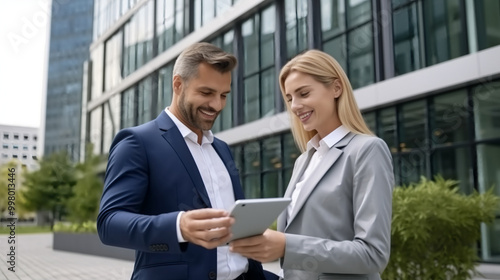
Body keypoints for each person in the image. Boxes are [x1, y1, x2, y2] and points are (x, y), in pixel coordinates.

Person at [97, 42, 268, 280]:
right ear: (178, 84)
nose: (217, 105)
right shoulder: (137, 142)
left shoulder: (222, 149)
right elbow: (110, 223)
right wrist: (179, 226)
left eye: (223, 95)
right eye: (206, 93)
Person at [230, 49, 394, 280]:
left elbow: (373, 254)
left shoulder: (367, 150)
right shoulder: (304, 160)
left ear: (336, 88)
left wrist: (287, 246)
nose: (295, 106)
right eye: (289, 99)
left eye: (303, 93)